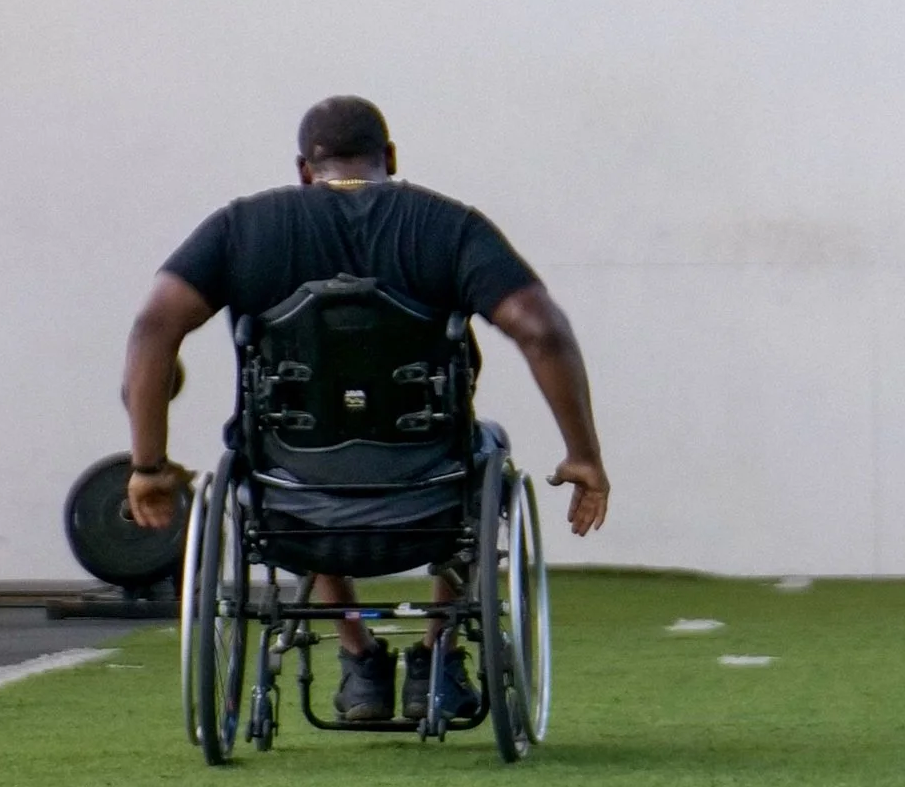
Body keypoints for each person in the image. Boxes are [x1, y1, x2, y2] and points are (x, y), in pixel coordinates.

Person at [121, 94, 609, 728]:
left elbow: (152, 327)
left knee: (291, 438)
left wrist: (148, 465)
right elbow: (542, 331)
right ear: (391, 158)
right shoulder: (449, 226)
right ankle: (438, 651)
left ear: (304, 169)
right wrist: (583, 455)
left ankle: (358, 661)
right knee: (482, 450)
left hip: (292, 496)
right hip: (429, 492)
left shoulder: (242, 228)